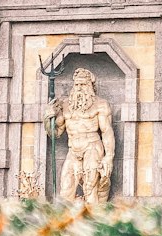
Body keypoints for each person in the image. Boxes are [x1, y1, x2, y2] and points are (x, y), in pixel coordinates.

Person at [45, 68, 115, 202]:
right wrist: (48, 119)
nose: (79, 88)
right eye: (76, 84)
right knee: (66, 189)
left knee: (90, 187)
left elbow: (107, 132)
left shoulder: (100, 105)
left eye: (83, 84)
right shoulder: (64, 105)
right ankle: (65, 221)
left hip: (92, 148)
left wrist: (109, 157)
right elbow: (56, 134)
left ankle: (93, 220)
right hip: (73, 150)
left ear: (90, 86)